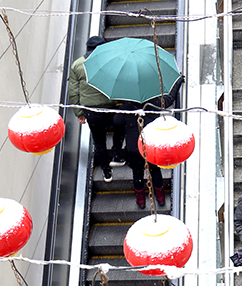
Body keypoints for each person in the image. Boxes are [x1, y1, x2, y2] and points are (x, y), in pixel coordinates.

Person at [115, 75, 185, 209]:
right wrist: (178, 81)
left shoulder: (125, 108)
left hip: (133, 149)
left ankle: (140, 199)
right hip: (151, 146)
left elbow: (116, 121)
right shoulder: (153, 104)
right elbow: (169, 99)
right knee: (155, 171)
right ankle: (160, 197)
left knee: (137, 173)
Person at [68, 36, 125, 183]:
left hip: (91, 111)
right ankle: (117, 153)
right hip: (111, 107)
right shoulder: (110, 62)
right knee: (121, 126)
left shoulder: (77, 65)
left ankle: (106, 172)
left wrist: (79, 113)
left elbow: (73, 92)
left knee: (99, 141)